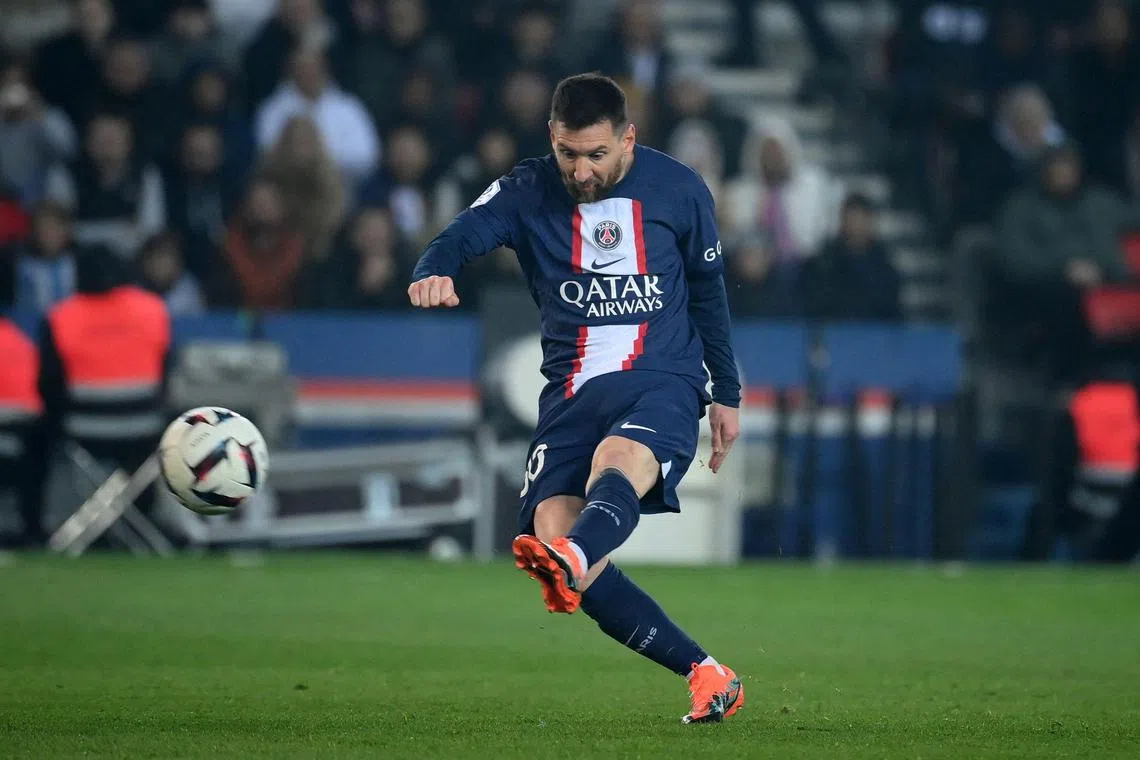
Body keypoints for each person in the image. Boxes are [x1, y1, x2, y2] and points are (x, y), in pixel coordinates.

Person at [408, 73, 744, 724]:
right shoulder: (527, 189)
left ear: (628, 139)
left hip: (663, 377)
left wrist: (726, 392)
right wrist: (433, 268)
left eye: (596, 154)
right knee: (559, 544)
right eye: (569, 154)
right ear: (551, 139)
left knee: (614, 465)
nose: (582, 171)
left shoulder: (680, 188)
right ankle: (708, 674)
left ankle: (578, 552)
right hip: (569, 392)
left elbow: (709, 294)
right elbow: (462, 233)